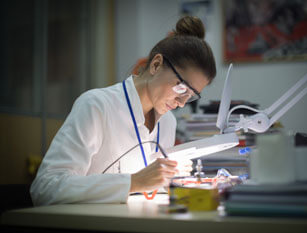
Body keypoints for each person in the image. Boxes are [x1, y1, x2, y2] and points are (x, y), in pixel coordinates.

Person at [30, 16, 216, 206]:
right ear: (156, 65)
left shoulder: (168, 122)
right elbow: (45, 188)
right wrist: (133, 182)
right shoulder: (96, 106)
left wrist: (170, 178)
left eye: (191, 95)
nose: (182, 103)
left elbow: (151, 190)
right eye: (181, 88)